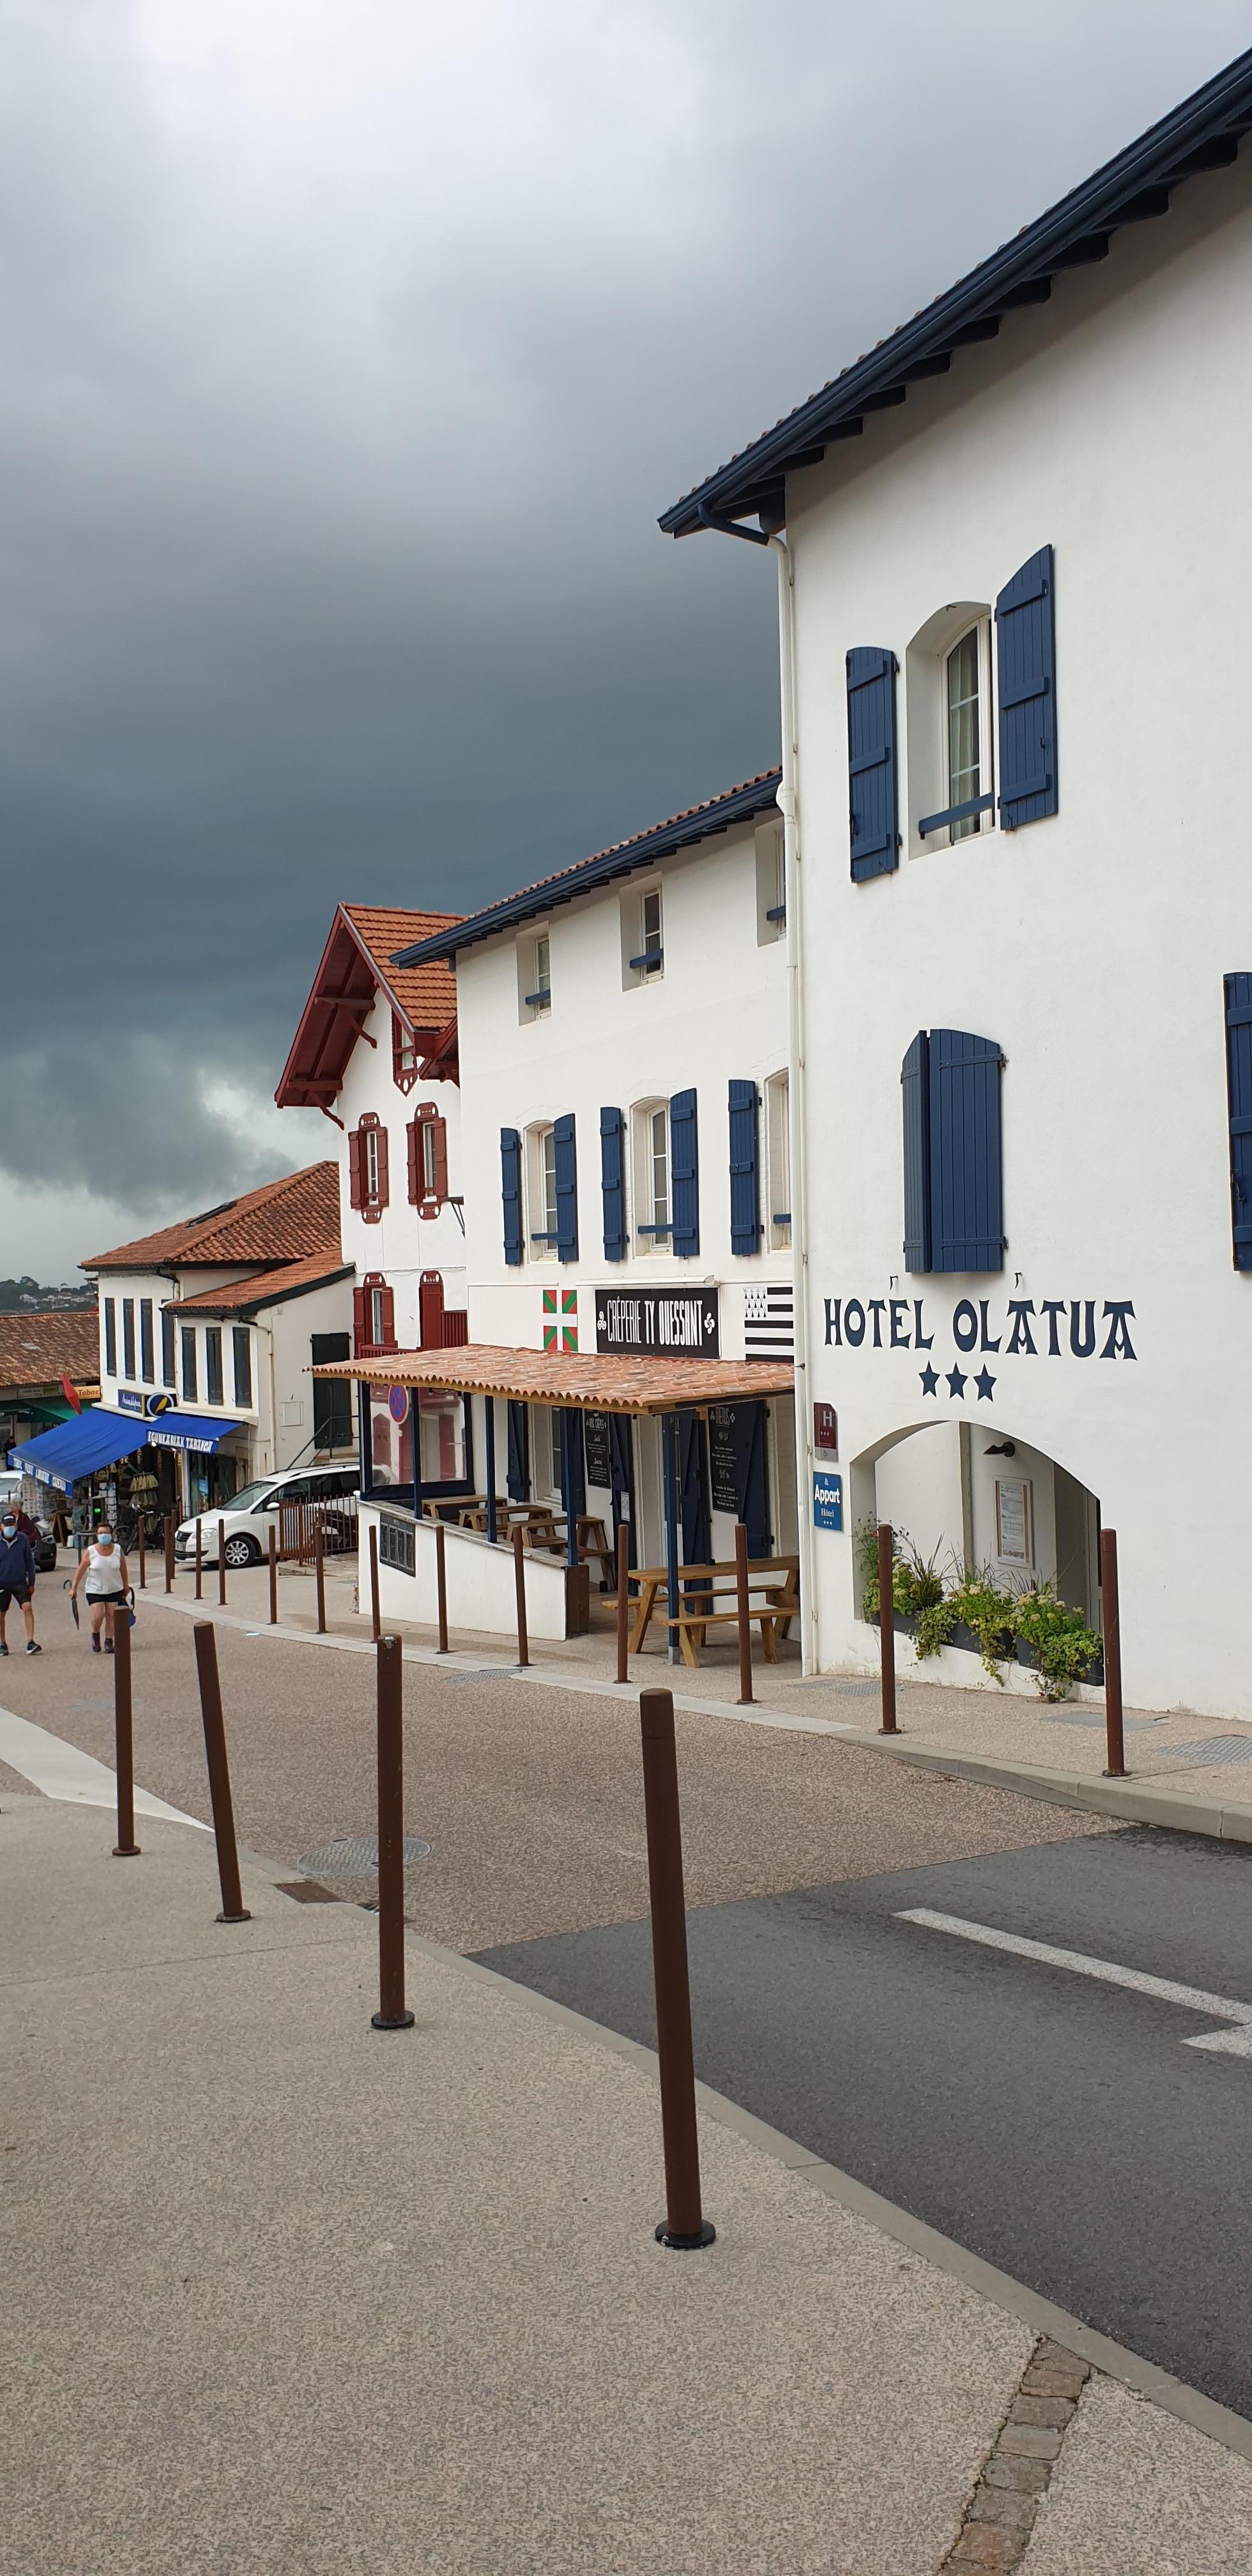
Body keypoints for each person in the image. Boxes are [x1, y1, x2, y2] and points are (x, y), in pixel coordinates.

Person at [71, 1523, 130, 1654]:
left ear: (111, 1535)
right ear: (97, 1535)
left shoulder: (117, 1550)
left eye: (107, 1533)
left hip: (114, 1588)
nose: (104, 1536)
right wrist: (74, 1588)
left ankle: (109, 1641)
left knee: (111, 1616)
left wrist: (126, 1585)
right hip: (95, 1589)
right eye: (101, 1533)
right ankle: (95, 1634)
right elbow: (81, 1570)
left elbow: (123, 1568)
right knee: (99, 1615)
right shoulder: (91, 1551)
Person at [0, 1511, 40, 1655]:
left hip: (19, 1581)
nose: (10, 1528)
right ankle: (2, 1643)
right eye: (7, 1525)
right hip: (2, 1582)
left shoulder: (22, 1539)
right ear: (1, 1527)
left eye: (12, 1525)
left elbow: (29, 1561)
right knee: (1, 1614)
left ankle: (30, 1642)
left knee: (27, 1607)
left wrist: (32, 1583)